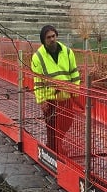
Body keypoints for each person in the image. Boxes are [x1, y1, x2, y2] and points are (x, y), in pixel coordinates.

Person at [31, 25, 81, 153]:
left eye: (53, 36)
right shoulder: (38, 57)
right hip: (50, 98)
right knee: (52, 126)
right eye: (48, 37)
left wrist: (75, 93)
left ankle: (54, 145)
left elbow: (74, 74)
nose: (52, 39)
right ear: (44, 40)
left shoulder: (68, 52)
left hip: (65, 96)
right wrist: (42, 101)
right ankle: (54, 150)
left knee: (67, 121)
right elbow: (38, 82)